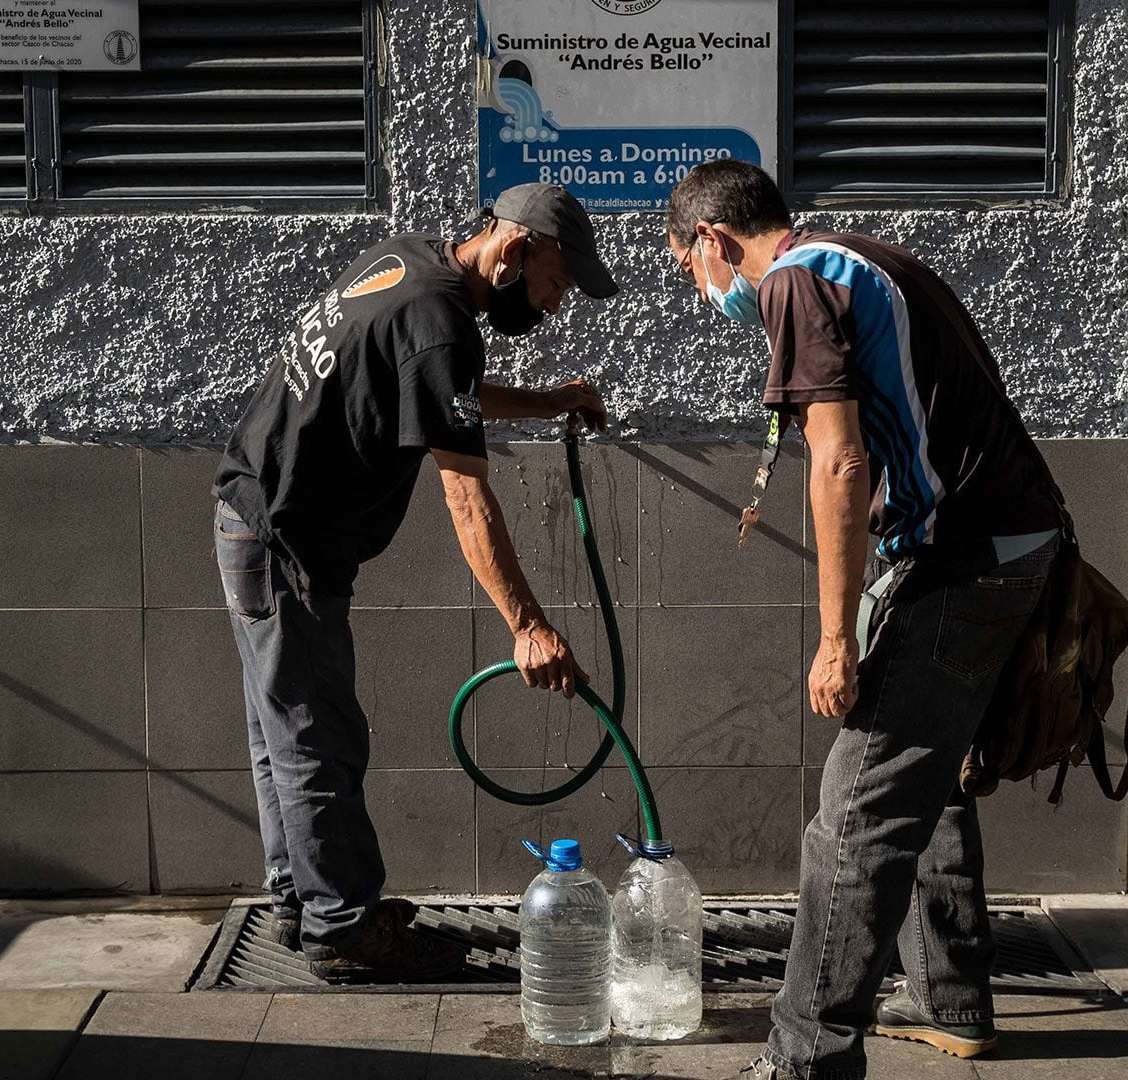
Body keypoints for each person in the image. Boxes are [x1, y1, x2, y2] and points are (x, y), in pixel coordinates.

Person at [663, 161, 1067, 1077]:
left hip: (966, 557)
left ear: (714, 242)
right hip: (1004, 540)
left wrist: (837, 638)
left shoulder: (794, 281)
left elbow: (839, 462)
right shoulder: (857, 256)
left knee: (854, 815)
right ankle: (950, 998)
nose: (700, 290)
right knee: (932, 770)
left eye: (689, 268)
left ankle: (807, 1059)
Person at [213, 184, 617, 981]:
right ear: (514, 250)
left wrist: (548, 402)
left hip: (253, 516)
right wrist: (529, 626)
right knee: (315, 739)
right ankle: (343, 931)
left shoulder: (410, 262)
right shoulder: (441, 326)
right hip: (289, 539)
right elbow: (467, 496)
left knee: (281, 734)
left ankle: (304, 903)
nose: (554, 305)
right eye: (554, 284)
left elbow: (438, 397)